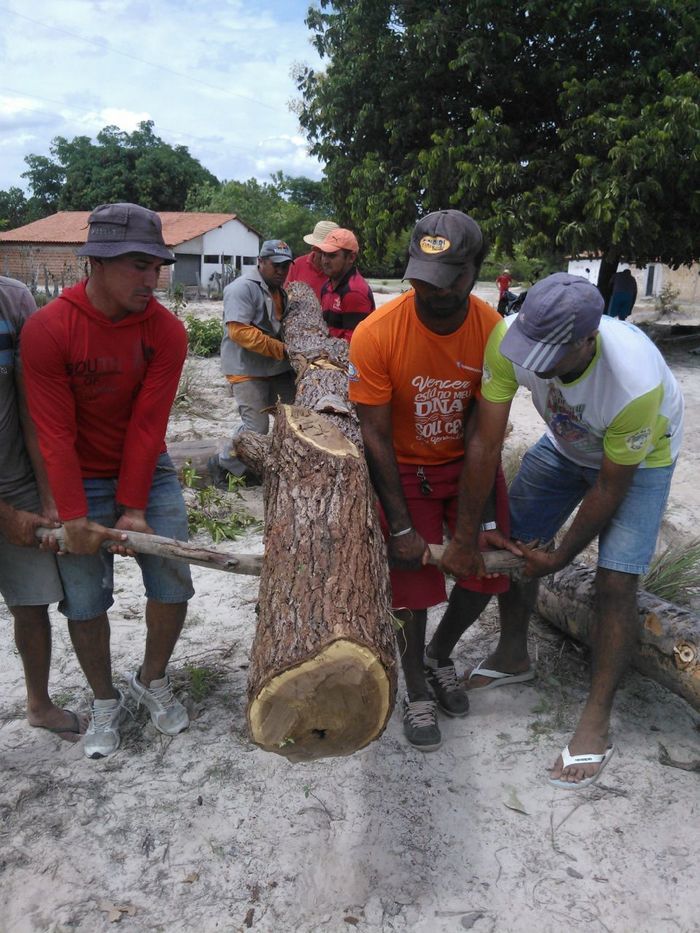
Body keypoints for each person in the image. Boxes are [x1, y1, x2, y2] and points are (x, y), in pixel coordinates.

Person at [441, 272, 684, 788]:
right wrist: (473, 530)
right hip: (565, 443)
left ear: (587, 340)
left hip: (640, 459)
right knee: (515, 540)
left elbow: (609, 489)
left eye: (548, 352)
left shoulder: (633, 383)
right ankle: (512, 653)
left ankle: (596, 720)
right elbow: (485, 443)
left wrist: (562, 556)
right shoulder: (510, 338)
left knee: (615, 583)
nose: (530, 362)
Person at [21, 202, 195, 760]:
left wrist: (135, 507)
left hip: (148, 471)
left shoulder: (166, 332)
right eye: (137, 266)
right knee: (85, 600)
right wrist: (72, 515)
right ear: (95, 262)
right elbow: (54, 434)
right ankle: (103, 698)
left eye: (157, 266)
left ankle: (152, 676)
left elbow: (149, 425)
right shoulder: (50, 329)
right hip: (78, 474)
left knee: (173, 581)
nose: (151, 280)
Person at [348, 210, 511, 751]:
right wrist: (399, 527)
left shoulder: (493, 333)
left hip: (469, 467)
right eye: (420, 278)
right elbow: (375, 436)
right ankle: (416, 682)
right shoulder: (376, 334)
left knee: (485, 570)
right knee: (409, 584)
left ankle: (441, 653)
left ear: (473, 273)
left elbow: (486, 440)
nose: (431, 292)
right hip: (403, 469)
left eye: (446, 281)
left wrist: (475, 526)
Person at [0, 276, 86, 743]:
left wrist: (48, 495)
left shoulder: (14, 299)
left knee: (31, 603)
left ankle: (39, 704)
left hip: (15, 481)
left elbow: (31, 406)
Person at [217, 240, 296, 478]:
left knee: (296, 415)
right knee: (256, 429)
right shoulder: (242, 288)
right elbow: (239, 331)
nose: (281, 271)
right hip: (246, 367)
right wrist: (282, 349)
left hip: (274, 367)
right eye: (276, 266)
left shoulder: (279, 290)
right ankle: (224, 463)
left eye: (285, 266)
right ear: (260, 262)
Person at [317, 228, 375, 341]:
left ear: (351, 258)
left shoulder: (354, 292)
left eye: (332, 256)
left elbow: (355, 343)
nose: (325, 261)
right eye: (324, 254)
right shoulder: (327, 287)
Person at [285, 220, 338, 299]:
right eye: (322, 252)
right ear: (314, 248)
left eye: (331, 253)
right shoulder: (297, 264)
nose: (326, 259)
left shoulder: (339, 270)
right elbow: (286, 294)